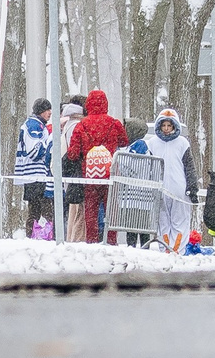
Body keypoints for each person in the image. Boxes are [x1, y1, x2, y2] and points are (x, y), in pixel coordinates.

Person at [127, 105, 198, 251]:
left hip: (179, 190)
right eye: (164, 125)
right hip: (160, 189)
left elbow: (189, 167)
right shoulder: (152, 143)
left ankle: (177, 250)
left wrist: (192, 187)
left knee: (180, 222)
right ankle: (165, 249)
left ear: (174, 126)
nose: (166, 128)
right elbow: (146, 166)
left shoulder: (182, 143)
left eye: (169, 125)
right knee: (163, 222)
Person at [62, 89, 127, 241]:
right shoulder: (113, 123)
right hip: (109, 173)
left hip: (89, 174)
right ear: (105, 104)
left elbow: (72, 153)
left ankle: (92, 241)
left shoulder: (81, 125)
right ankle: (111, 240)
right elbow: (124, 141)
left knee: (91, 211)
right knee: (111, 210)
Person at [16, 98, 56, 237]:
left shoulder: (36, 125)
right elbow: (34, 152)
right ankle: (51, 234)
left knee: (34, 210)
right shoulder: (34, 126)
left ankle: (31, 235)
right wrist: (49, 145)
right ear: (40, 111)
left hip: (31, 174)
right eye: (47, 110)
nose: (50, 113)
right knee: (46, 208)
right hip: (36, 173)